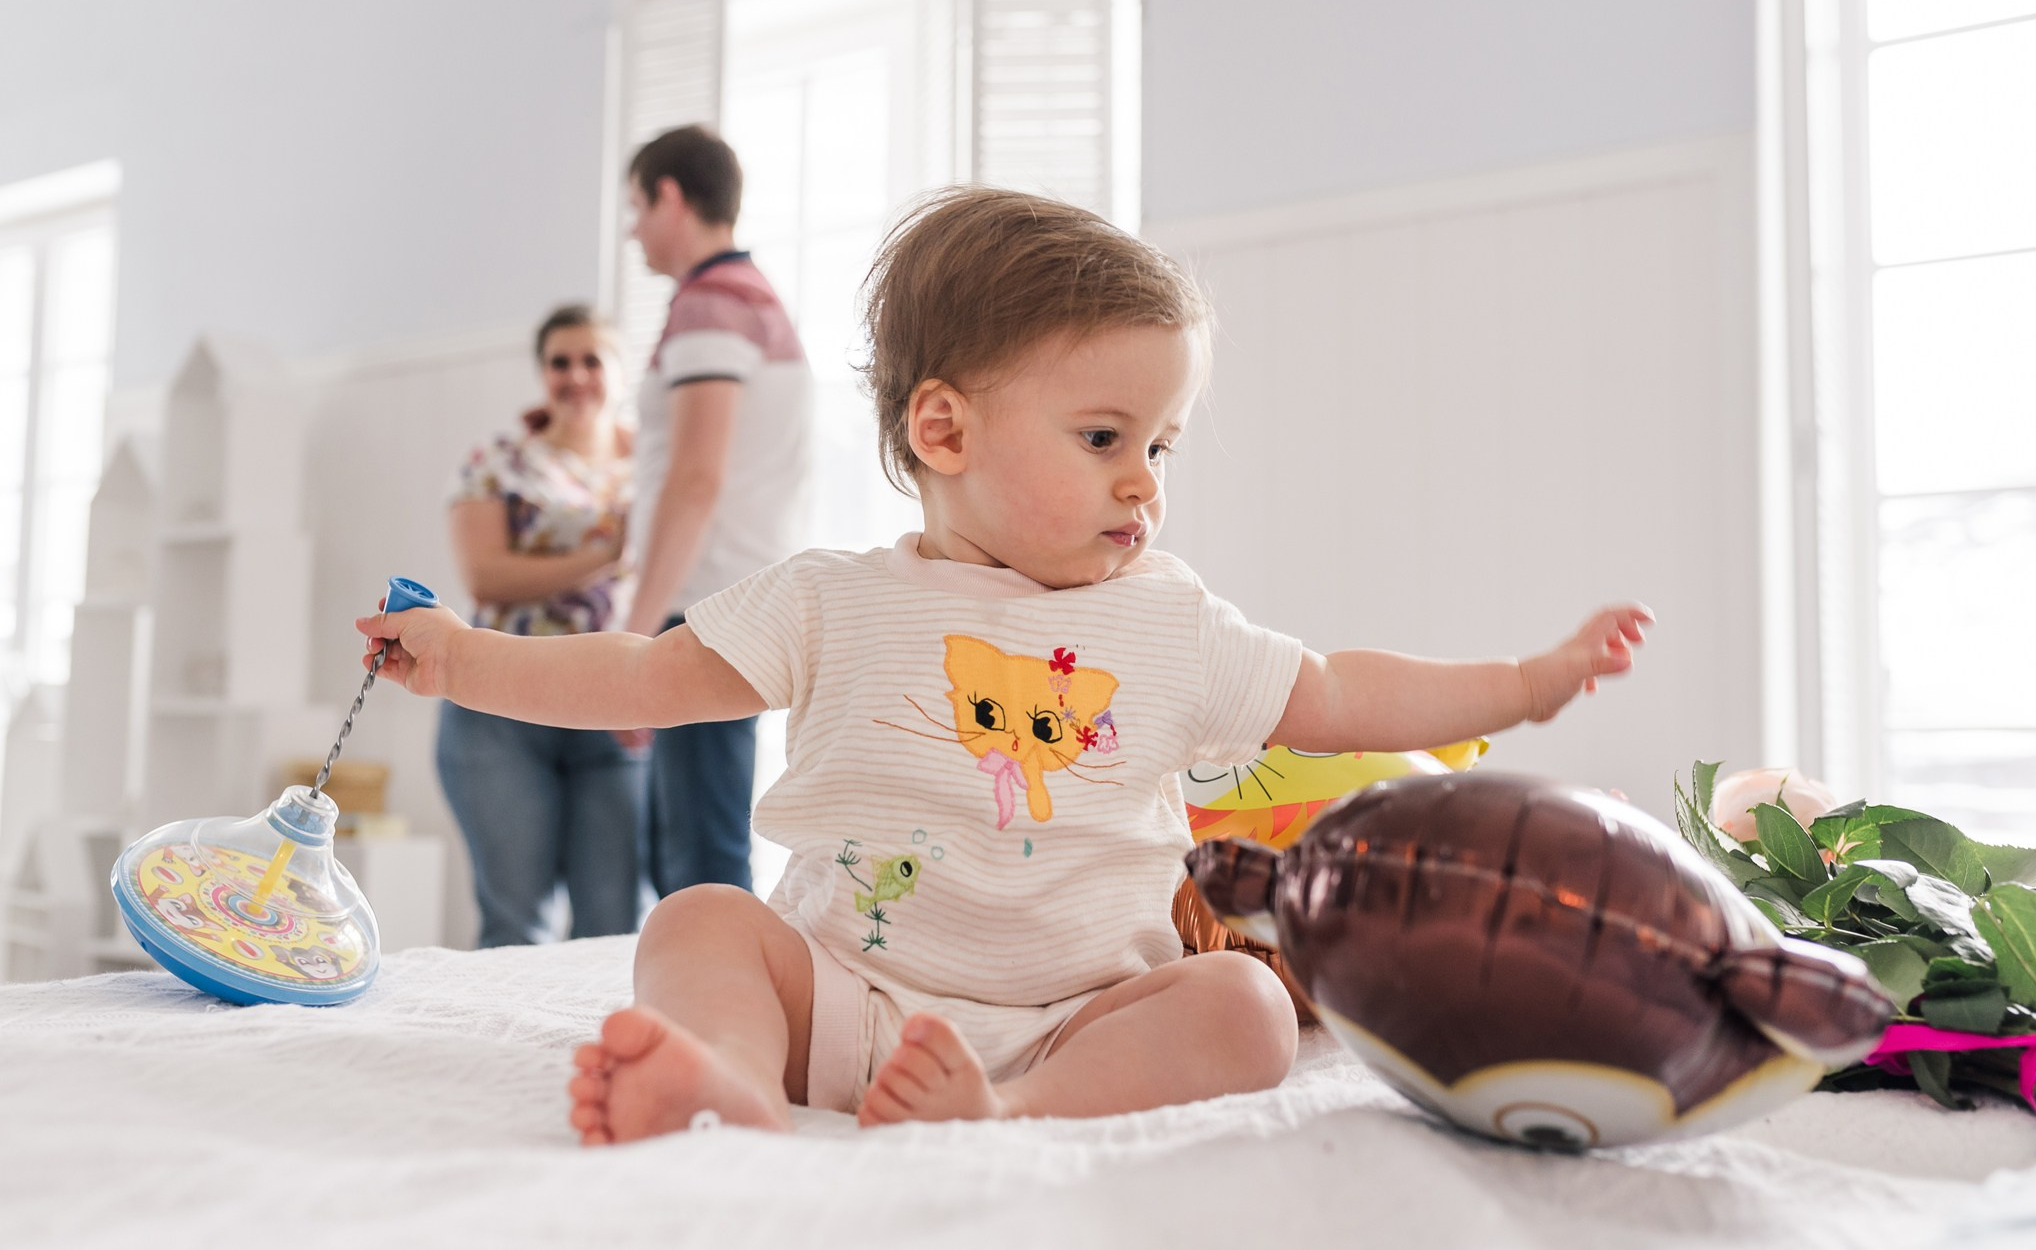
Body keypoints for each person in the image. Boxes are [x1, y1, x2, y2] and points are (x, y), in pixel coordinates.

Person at [359, 187, 1652, 1137]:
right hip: (848, 998)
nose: (1144, 478)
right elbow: (641, 675)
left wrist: (1525, 679)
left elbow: (1341, 692)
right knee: (699, 919)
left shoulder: (1168, 618)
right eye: (1104, 434)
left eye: (1165, 442)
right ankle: (737, 1079)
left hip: (1080, 1014)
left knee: (1244, 1009)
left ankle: (1009, 1105)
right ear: (945, 425)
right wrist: (464, 656)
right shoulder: (832, 598)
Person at [619, 124, 812, 896]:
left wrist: (633, 632)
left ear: (671, 197)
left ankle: (710, 1013)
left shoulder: (711, 306)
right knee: (696, 839)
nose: (633, 228)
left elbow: (697, 477)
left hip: (704, 607)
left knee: (697, 854)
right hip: (732, 600)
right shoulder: (753, 299)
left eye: (636, 205)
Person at [434, 304, 646, 947]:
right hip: (501, 707)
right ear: (541, 373)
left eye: (592, 360)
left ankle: (608, 1048)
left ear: (620, 372)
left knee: (613, 923)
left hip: (614, 705)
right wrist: (607, 555)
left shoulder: (654, 467)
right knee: (515, 919)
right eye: (560, 362)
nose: (575, 375)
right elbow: (487, 578)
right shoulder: (498, 462)